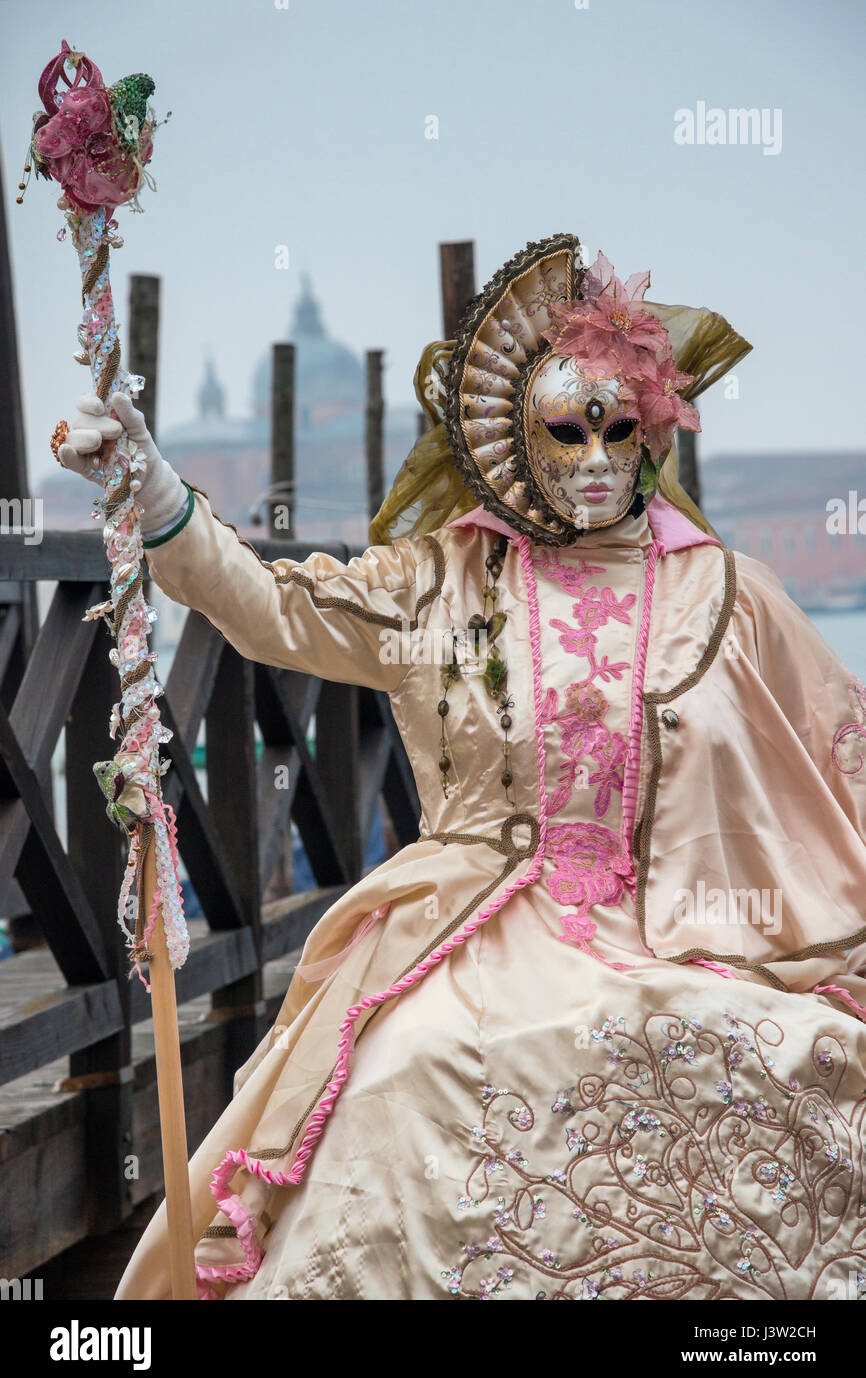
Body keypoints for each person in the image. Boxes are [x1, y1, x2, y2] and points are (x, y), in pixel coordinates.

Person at [60, 234, 866, 1301]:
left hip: (687, 932)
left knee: (785, 1053)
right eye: (564, 431)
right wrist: (157, 494)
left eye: (616, 430)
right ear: (512, 439)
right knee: (415, 1067)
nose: (591, 460)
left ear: (650, 436)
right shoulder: (438, 584)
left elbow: (838, 745)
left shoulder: (725, 593)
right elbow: (273, 609)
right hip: (474, 925)